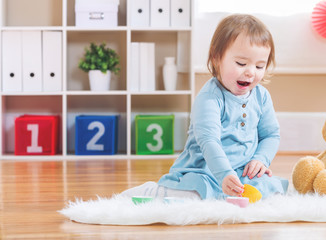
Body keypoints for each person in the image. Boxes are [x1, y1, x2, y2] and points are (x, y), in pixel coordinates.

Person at [121, 14, 288, 200]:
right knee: (197, 194)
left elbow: (270, 135)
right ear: (217, 59)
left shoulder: (261, 96)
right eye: (241, 63)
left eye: (259, 66)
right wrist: (224, 174)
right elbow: (209, 141)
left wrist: (260, 160)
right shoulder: (210, 98)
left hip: (241, 170)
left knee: (272, 189)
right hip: (204, 169)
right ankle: (154, 192)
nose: (250, 72)